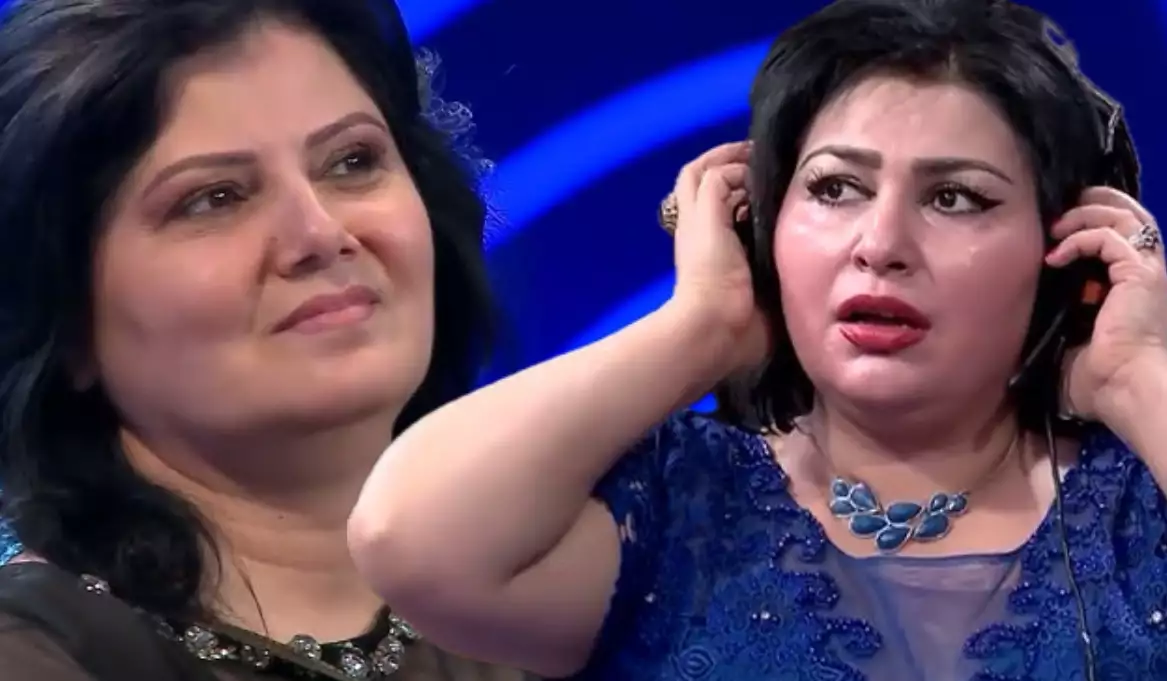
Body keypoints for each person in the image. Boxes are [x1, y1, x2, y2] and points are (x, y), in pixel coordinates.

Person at [346, 1, 1167, 679]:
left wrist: (1133, 375)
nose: (880, 244)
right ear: (761, 228)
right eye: (835, 187)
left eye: (954, 197)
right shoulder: (677, 510)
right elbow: (405, 540)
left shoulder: (1140, 505)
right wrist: (703, 325)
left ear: (1064, 252)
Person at [0, 1, 532, 680]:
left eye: (352, 160)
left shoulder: (572, 593)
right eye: (214, 198)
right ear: (65, 319)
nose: (320, 234)